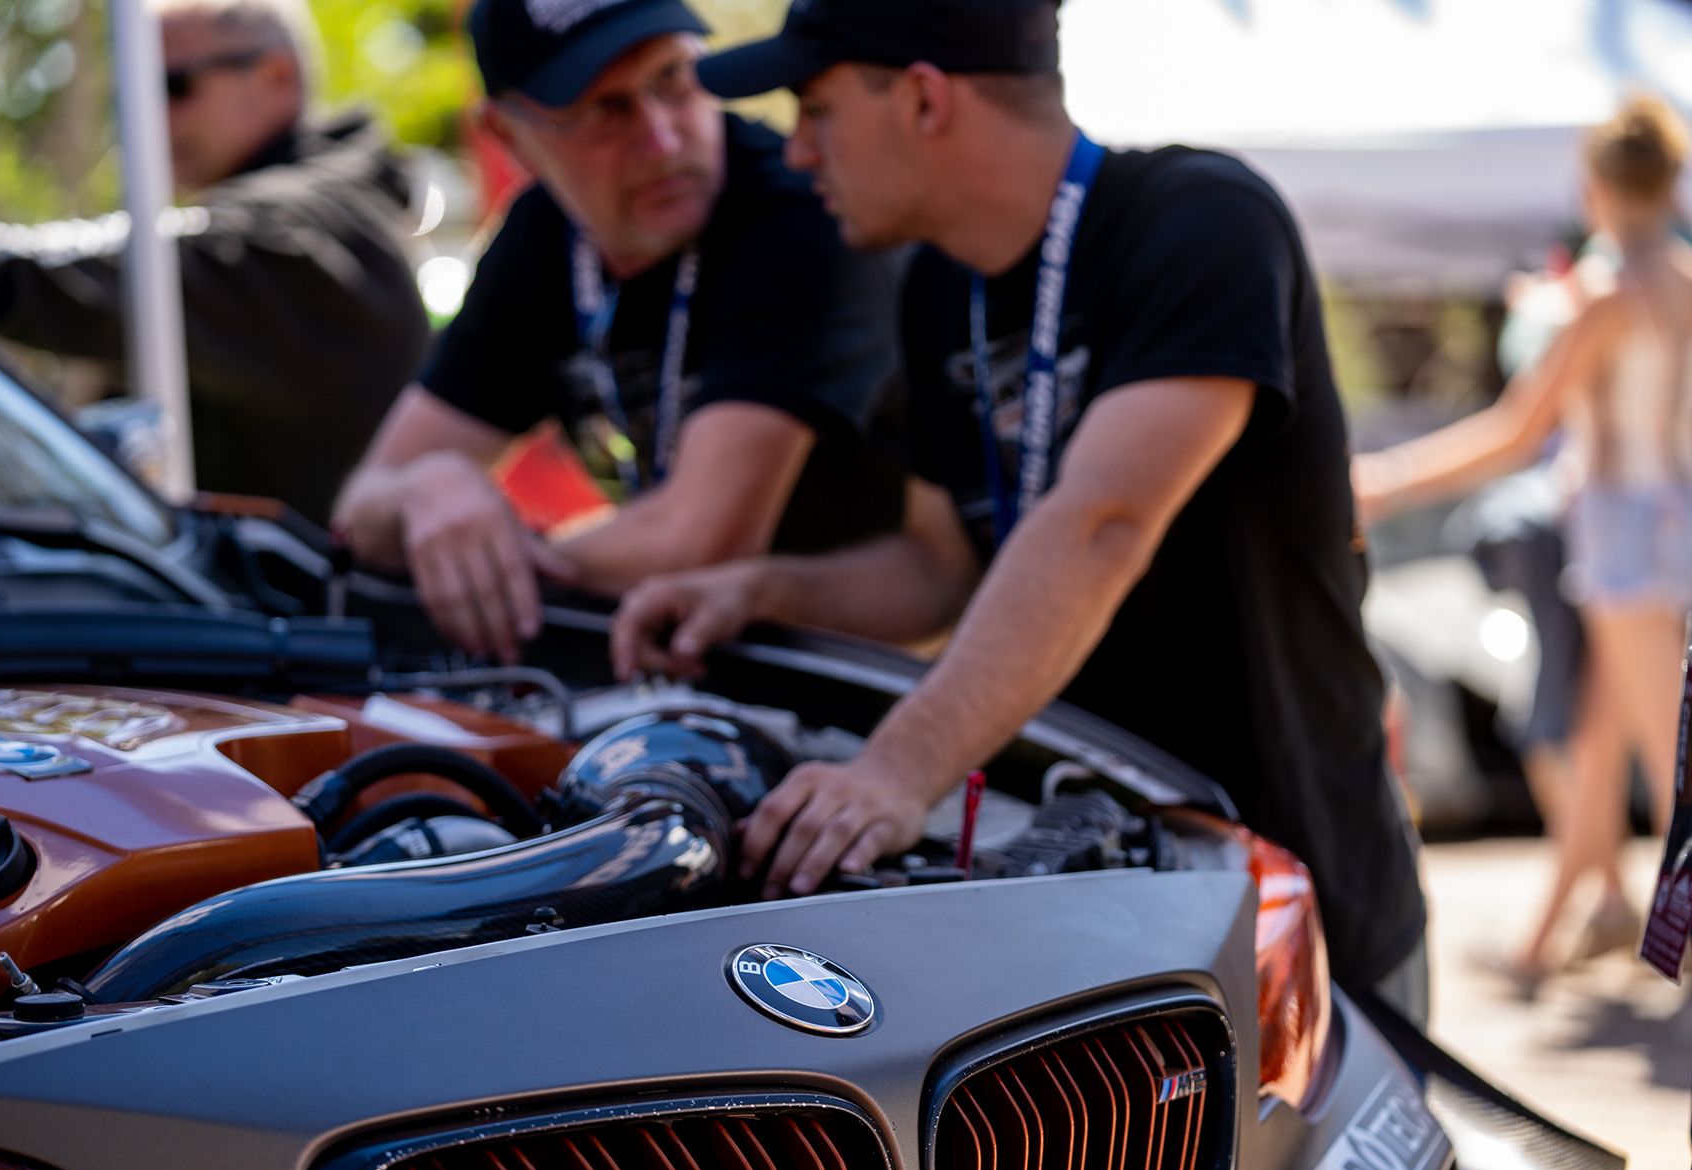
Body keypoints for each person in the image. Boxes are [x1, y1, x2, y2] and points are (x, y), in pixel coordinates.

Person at [609, 0, 1428, 1017]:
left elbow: (1102, 522)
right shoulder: (936, 288)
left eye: (816, 109)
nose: (799, 152)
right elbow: (939, 567)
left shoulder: (1203, 219)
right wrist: (753, 591)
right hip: (1096, 908)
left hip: (1294, 900)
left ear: (921, 96)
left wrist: (896, 767)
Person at [332, 0, 905, 664]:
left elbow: (695, 540)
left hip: (875, 670)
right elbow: (361, 507)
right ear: (511, 136)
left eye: (674, 81)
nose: (662, 139)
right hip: (699, 659)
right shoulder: (542, 236)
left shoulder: (802, 217)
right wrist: (426, 489)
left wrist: (486, 563)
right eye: (606, 110)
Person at [1357, 95, 1692, 991]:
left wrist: (1389, 479)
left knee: (1665, 762)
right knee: (1605, 736)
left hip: (1623, 534)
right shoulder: (1674, 278)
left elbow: (1516, 431)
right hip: (1663, 523)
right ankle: (1555, 938)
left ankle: (1643, 952)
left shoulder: (1603, 291)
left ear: (1594, 187)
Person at [0, 0, 430, 527]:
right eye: (132, 95)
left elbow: (143, 261)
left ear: (274, 75)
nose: (149, 117)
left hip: (305, 603)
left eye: (172, 86)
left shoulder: (302, 239)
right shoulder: (324, 216)